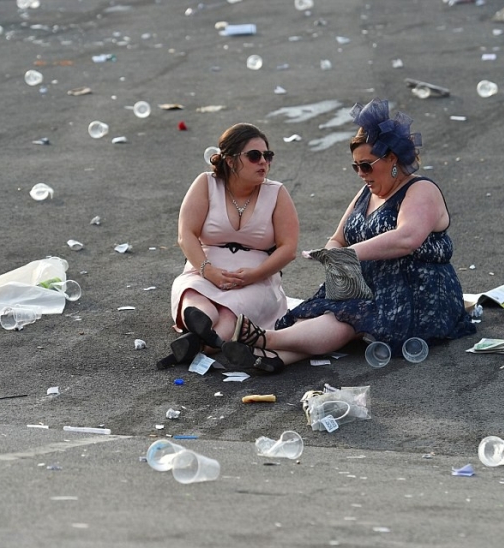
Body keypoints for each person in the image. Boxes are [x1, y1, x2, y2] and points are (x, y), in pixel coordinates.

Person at [221, 98, 476, 374]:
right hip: (366, 282)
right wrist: (332, 258)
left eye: (366, 165)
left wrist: (348, 255)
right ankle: (276, 357)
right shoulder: (369, 192)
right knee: (321, 311)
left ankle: (266, 340)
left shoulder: (420, 190)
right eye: (356, 167)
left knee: (346, 320)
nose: (361, 174)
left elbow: (407, 238)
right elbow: (338, 238)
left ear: (391, 158)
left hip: (416, 291)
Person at [157, 123, 300, 369]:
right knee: (192, 292)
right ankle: (202, 323)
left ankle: (198, 343)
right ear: (231, 161)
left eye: (268, 156)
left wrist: (255, 275)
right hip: (204, 268)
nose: (263, 162)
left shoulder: (276, 192)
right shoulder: (206, 183)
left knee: (232, 314)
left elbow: (288, 247)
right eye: (254, 156)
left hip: (257, 277)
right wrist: (207, 269)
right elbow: (186, 234)